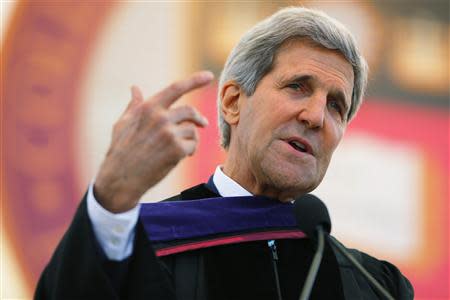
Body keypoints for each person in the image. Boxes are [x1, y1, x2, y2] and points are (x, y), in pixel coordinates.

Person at [35, 7, 413, 300]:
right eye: (298, 86)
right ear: (233, 102)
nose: (315, 116)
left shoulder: (373, 285)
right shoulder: (140, 246)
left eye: (336, 106)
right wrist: (112, 196)